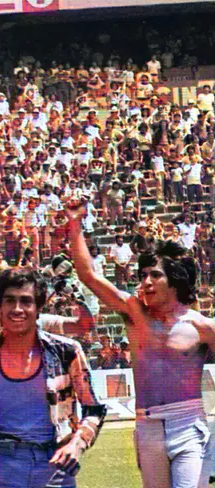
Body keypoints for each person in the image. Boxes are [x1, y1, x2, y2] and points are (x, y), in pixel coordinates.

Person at [66, 204, 210, 488]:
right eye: (143, 275)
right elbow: (88, 275)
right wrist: (74, 225)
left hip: (188, 423)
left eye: (155, 275)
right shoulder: (134, 314)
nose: (146, 282)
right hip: (147, 426)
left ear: (175, 280)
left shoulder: (201, 326)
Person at [0, 267, 105, 488]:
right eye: (10, 300)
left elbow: (94, 409)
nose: (17, 309)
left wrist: (78, 443)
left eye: (26, 301)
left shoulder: (66, 352)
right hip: (2, 466)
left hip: (55, 467)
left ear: (39, 308)